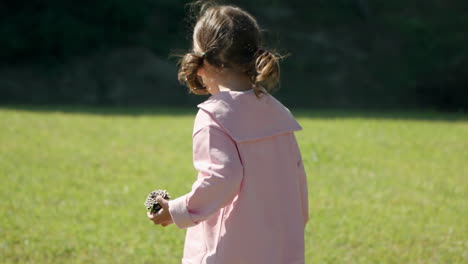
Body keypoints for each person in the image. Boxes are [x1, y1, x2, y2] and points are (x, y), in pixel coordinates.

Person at [147, 2, 309, 263]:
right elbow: (298, 185)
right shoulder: (277, 112)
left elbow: (222, 177)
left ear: (204, 63)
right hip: (280, 251)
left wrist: (176, 211)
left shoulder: (213, 116)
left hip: (228, 252)